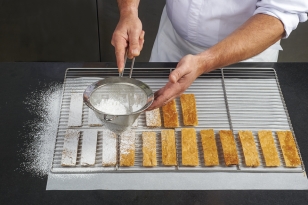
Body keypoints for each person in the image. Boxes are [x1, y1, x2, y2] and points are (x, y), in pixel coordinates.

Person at [111, 0, 308, 110]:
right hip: (172, 43)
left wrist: (206, 61)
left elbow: (281, 11)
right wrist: (128, 11)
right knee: (150, 120)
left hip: (244, 58)